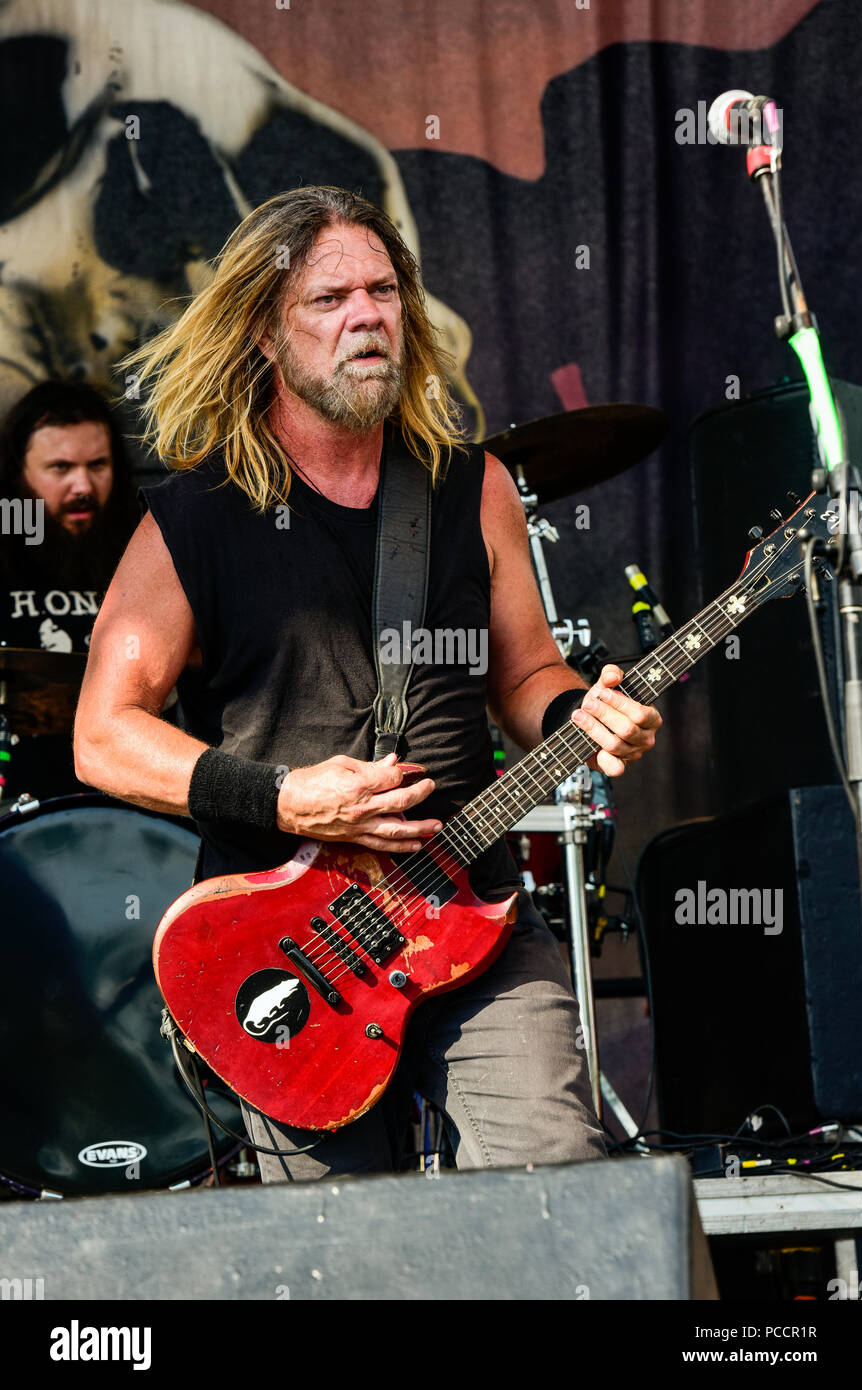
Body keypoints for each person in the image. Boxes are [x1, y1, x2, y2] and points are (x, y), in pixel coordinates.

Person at [73, 186, 662, 1181]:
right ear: (265, 331)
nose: (367, 316)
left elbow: (523, 671)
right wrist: (286, 795)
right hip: (289, 943)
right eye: (329, 298)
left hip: (467, 905)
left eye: (384, 291)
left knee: (557, 1182)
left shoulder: (469, 487)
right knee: (338, 1252)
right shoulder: (198, 519)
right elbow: (102, 733)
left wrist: (578, 713)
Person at [0, 380, 138, 799]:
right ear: (19, 473)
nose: (82, 487)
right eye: (60, 468)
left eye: (97, 465)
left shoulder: (145, 550)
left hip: (130, 804)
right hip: (17, 799)